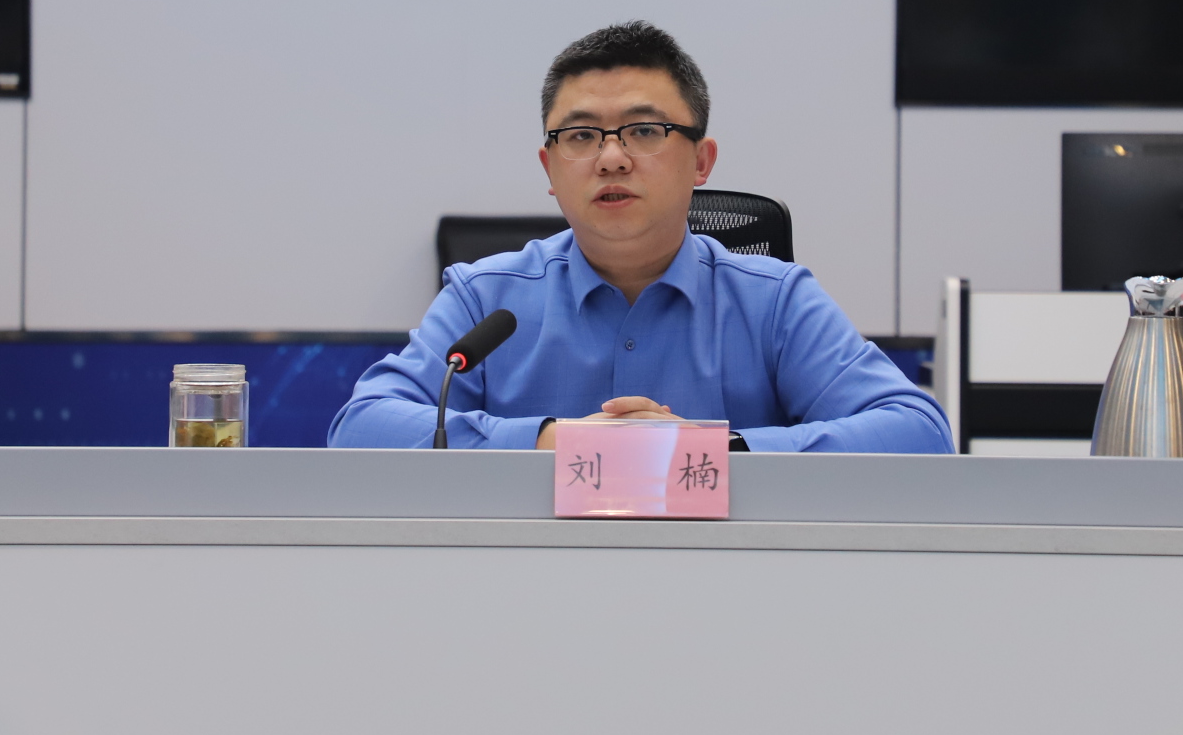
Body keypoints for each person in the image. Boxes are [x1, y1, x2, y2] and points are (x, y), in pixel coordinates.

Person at [328, 22, 952, 453]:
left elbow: (918, 433)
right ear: (550, 170)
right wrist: (552, 442)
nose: (611, 158)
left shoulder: (773, 302)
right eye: (580, 136)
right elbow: (360, 429)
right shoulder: (484, 300)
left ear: (701, 162)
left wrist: (712, 451)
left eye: (645, 131)